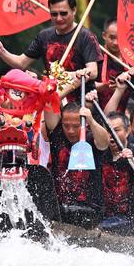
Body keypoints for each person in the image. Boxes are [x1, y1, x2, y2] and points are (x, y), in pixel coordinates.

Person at [0, 0, 100, 78]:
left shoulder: (85, 36)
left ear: (74, 10)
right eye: (54, 14)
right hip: (52, 96)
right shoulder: (44, 36)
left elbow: (93, 71)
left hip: (81, 98)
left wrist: (69, 75)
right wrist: (1, 51)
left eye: (63, 13)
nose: (59, 18)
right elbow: (21, 63)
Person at [42, 91, 108, 227]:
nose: (71, 131)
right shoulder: (57, 134)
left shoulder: (91, 138)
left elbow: (104, 143)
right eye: (66, 125)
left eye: (76, 126)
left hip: (89, 210)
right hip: (59, 207)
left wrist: (90, 119)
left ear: (84, 124)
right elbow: (48, 101)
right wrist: (74, 85)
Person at [96, 110, 134, 221]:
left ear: (127, 130)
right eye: (108, 131)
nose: (111, 135)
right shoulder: (100, 151)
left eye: (116, 130)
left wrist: (132, 159)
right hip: (105, 216)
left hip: (131, 217)